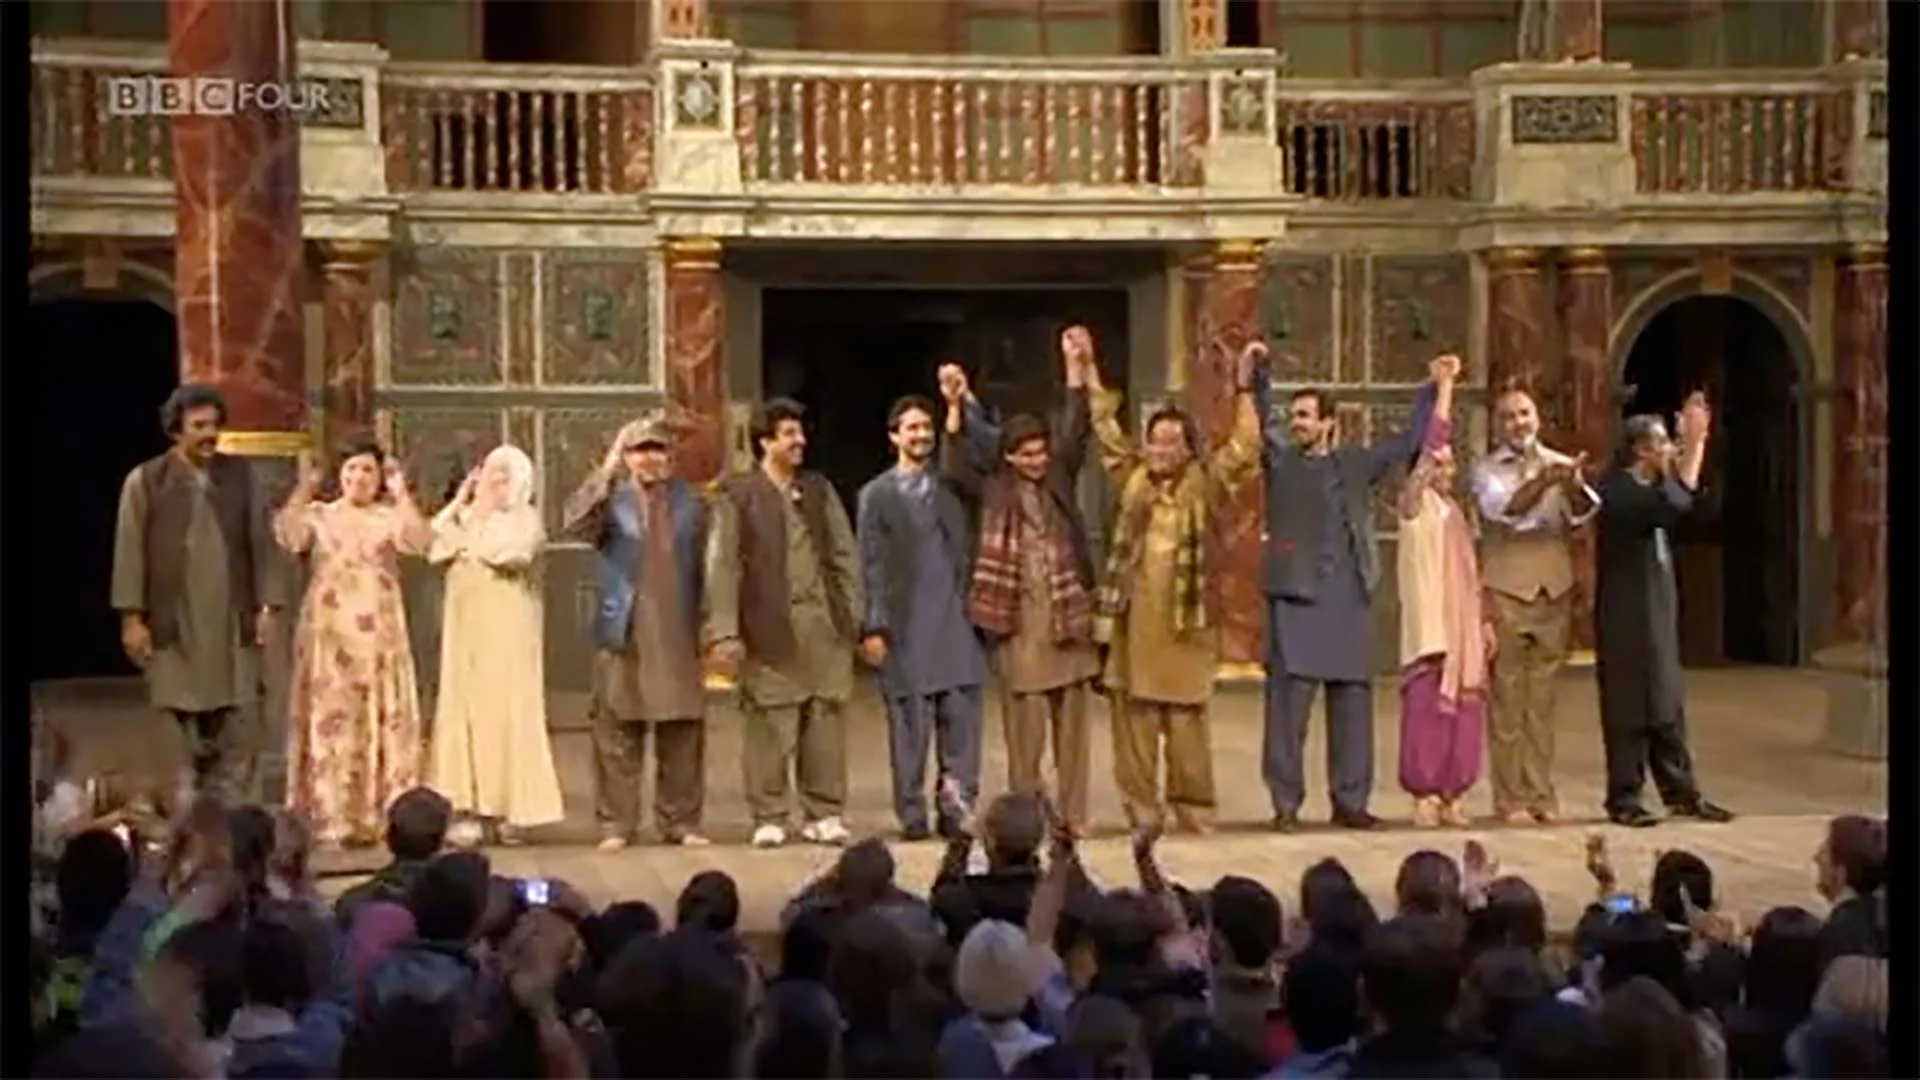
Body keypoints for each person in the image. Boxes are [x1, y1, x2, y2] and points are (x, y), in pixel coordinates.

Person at [1082, 332, 1261, 834]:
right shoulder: (1134, 479)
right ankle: (1141, 810)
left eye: (1171, 442)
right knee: (1133, 726)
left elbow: (1245, 446)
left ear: (1187, 447)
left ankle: (1194, 809)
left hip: (1186, 628)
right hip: (1132, 626)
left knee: (1186, 727)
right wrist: (1090, 371)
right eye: (1154, 440)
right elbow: (1107, 434)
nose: (1160, 449)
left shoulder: (1205, 481)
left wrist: (1245, 388)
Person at [1255, 353, 1441, 831]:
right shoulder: (1281, 461)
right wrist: (1258, 374)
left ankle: (1350, 801)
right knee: (1288, 715)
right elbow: (1258, 417)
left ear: (1328, 423)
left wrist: (1432, 388)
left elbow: (1407, 443)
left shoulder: (1356, 463)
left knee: (1352, 709)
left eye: (1305, 415)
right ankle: (1286, 805)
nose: (1296, 423)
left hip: (1349, 599)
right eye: (1293, 415)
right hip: (1297, 599)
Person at [941, 334, 1100, 837]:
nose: (1036, 460)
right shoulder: (993, 490)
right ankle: (1027, 820)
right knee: (1024, 735)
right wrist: (956, 406)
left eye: (1040, 452)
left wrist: (1076, 370)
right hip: (1018, 623)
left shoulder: (1058, 478)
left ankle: (1073, 817)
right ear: (1009, 457)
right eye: (1025, 454)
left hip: (1066, 618)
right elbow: (954, 465)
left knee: (1073, 731)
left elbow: (1076, 431)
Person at [111, 383, 282, 801]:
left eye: (214, 425)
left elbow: (260, 541)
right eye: (198, 426)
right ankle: (186, 828)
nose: (209, 434)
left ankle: (231, 824)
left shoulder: (241, 476)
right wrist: (132, 617)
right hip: (174, 627)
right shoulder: (147, 481)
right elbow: (129, 550)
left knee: (239, 726)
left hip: (231, 622)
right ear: (176, 431)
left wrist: (268, 606)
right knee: (177, 734)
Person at [706, 399, 862, 849]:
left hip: (822, 624)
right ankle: (770, 813)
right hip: (767, 622)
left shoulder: (817, 489)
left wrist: (853, 615)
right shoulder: (739, 495)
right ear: (765, 441)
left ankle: (824, 811)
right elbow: (724, 567)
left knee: (825, 719)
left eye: (800, 434)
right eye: (789, 435)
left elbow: (842, 554)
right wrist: (725, 631)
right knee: (769, 722)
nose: (800, 443)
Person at [563, 417, 714, 851]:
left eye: (657, 450)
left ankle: (681, 821)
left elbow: (714, 564)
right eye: (640, 450)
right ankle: (617, 823)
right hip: (624, 625)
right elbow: (573, 523)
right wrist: (608, 467)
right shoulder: (612, 502)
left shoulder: (694, 503)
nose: (649, 458)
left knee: (682, 729)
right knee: (617, 731)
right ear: (627, 457)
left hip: (679, 625)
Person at [276, 440, 430, 849]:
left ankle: (376, 814)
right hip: (328, 634)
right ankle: (330, 814)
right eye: (350, 470)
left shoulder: (387, 517)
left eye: (366, 471)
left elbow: (419, 542)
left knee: (377, 715)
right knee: (331, 718)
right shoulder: (321, 516)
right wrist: (303, 490)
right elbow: (290, 537)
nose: (357, 479)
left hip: (378, 633)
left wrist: (402, 493)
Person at [1593, 395, 1733, 828]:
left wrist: (1693, 449)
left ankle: (1682, 793)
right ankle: (1625, 798)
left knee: (1667, 701)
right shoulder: (1616, 489)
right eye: (1664, 444)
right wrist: (1694, 446)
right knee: (1629, 704)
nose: (1670, 451)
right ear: (1642, 449)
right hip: (1625, 612)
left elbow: (1692, 510)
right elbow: (1670, 505)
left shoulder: (1654, 488)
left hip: (1657, 608)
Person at [856, 394, 989, 841]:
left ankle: (956, 809)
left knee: (961, 731)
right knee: (910, 732)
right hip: (905, 628)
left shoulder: (953, 487)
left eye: (926, 428)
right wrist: (872, 625)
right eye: (911, 428)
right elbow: (869, 563)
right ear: (894, 436)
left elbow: (983, 451)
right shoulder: (876, 496)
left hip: (956, 623)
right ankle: (912, 814)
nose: (921, 435)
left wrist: (960, 407)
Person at [1469, 385, 1599, 825]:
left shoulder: (1558, 464)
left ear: (1537, 417)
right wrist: (1540, 483)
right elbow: (1503, 511)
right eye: (1508, 417)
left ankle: (1541, 792)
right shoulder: (1486, 469)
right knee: (1508, 698)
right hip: (1508, 587)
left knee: (1542, 701)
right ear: (1498, 425)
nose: (1518, 423)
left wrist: (1574, 484)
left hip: (1554, 587)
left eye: (1524, 414)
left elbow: (1582, 513)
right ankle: (1511, 799)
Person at [425, 444, 564, 845]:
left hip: (509, 627)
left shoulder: (526, 519)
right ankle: (467, 807)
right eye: (489, 474)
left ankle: (512, 809)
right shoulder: (468, 517)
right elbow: (435, 545)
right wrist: (461, 505)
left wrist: (474, 532)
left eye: (505, 477)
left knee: (507, 713)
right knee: (465, 711)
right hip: (466, 628)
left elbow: (511, 555)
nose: (495, 484)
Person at [1394, 355, 1491, 828]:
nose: (1445, 468)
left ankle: (1454, 792)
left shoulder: (1455, 513)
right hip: (1430, 629)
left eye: (1451, 465)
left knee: (1464, 717)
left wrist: (1483, 621)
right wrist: (1445, 389)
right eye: (1438, 463)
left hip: (1462, 629)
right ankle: (1424, 793)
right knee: (1426, 712)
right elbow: (1432, 445)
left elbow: (1472, 575)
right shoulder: (1414, 506)